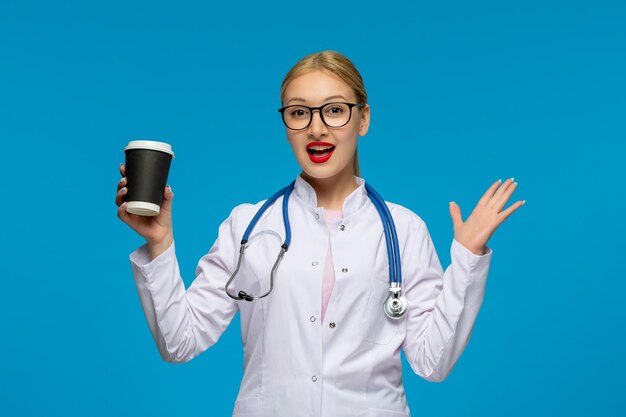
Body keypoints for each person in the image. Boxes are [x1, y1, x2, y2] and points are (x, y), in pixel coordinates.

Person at [115, 50, 523, 417]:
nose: (316, 129)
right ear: (286, 123)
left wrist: (468, 256)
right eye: (298, 112)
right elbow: (180, 342)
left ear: (363, 118)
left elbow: (432, 363)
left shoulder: (403, 230)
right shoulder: (248, 225)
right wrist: (160, 244)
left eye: (334, 110)